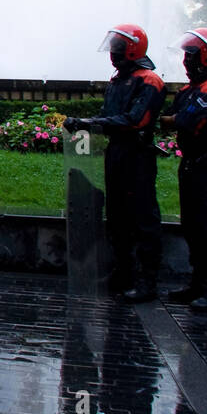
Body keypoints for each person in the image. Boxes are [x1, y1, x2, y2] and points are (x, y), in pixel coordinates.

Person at [64, 24, 166, 303]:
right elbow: (108, 115)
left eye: (117, 48)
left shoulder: (149, 81)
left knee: (144, 217)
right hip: (117, 153)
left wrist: (89, 124)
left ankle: (147, 281)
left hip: (137, 155)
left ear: (132, 49)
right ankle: (123, 273)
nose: (112, 53)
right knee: (118, 216)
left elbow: (135, 120)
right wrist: (89, 123)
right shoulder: (117, 80)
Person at [161, 28, 207, 313]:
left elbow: (186, 121)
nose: (185, 61)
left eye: (190, 56)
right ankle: (198, 284)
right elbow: (173, 113)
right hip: (192, 164)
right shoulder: (191, 89)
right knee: (191, 226)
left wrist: (168, 119)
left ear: (206, 57)